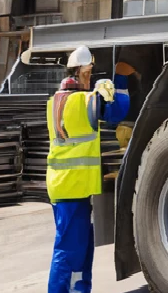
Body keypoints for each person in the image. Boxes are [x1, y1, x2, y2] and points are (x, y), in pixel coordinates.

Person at [46, 45, 133, 293]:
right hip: (73, 186)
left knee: (80, 250)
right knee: (69, 250)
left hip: (65, 185)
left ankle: (79, 290)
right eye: (90, 73)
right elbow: (117, 112)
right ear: (83, 72)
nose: (91, 77)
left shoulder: (55, 101)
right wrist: (120, 81)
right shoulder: (85, 101)